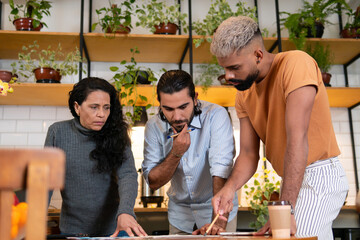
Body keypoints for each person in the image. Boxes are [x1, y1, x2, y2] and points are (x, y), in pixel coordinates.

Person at [209, 16, 349, 240]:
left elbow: (297, 138)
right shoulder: (243, 94)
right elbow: (247, 154)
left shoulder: (296, 64)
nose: (228, 76)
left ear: (258, 55)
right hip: (291, 177)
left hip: (319, 175)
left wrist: (287, 208)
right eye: (224, 69)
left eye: (234, 67)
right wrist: (229, 188)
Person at [45, 77, 146, 237]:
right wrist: (34, 219)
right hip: (74, 231)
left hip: (116, 229)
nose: (102, 114)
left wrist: (126, 211)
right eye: (94, 107)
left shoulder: (117, 133)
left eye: (106, 108)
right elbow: (46, 179)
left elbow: (127, 175)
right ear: (77, 107)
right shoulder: (58, 132)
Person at [142, 70, 238, 235]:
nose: (177, 116)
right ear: (159, 103)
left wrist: (219, 223)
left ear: (195, 98)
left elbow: (220, 170)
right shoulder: (153, 126)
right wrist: (176, 153)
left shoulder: (216, 116)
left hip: (216, 210)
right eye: (168, 109)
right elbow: (153, 182)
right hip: (180, 215)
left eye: (183, 107)